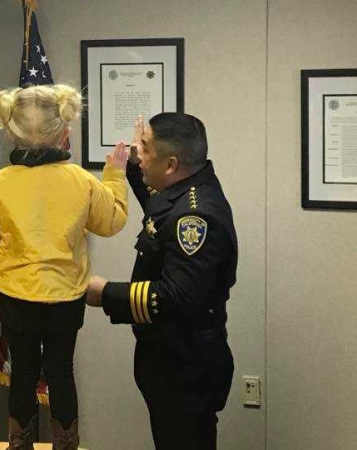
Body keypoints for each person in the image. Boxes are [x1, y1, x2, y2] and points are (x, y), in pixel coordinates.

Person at [0, 84, 129, 450]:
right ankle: (65, 445)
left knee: (22, 372)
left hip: (15, 295)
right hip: (67, 296)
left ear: (11, 131)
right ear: (65, 133)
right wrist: (115, 175)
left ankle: (18, 444)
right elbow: (111, 222)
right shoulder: (82, 181)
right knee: (61, 372)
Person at [86, 113, 237, 449]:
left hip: (186, 367)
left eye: (146, 149)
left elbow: (176, 298)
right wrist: (132, 167)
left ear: (170, 165)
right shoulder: (187, 187)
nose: (139, 152)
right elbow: (159, 208)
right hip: (171, 358)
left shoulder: (195, 217)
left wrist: (105, 294)